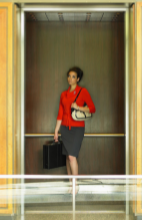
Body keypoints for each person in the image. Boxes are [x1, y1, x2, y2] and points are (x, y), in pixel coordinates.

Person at [54, 66, 96, 194]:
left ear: (78, 79)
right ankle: (70, 183)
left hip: (77, 128)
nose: (70, 78)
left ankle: (75, 185)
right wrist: (56, 131)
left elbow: (92, 108)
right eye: (69, 76)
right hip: (65, 129)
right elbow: (60, 114)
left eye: (73, 76)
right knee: (68, 157)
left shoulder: (83, 92)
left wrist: (78, 107)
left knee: (72, 157)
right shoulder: (63, 94)